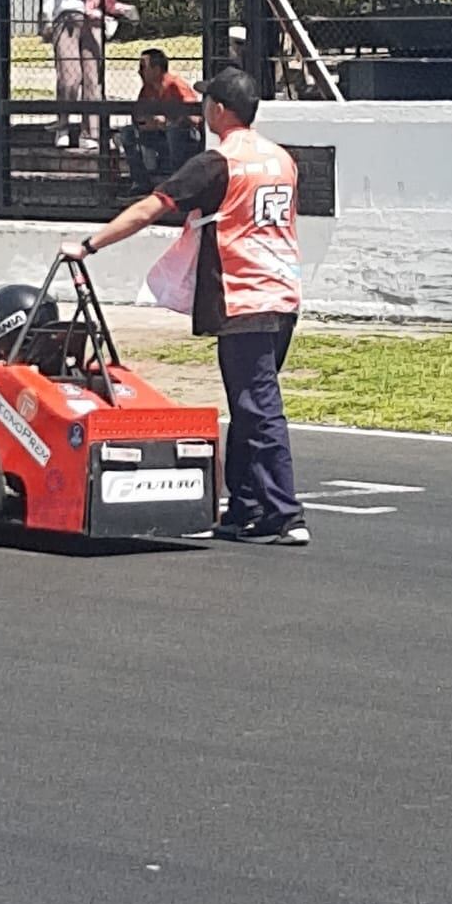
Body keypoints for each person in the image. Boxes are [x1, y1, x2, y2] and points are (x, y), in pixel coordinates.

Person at [59, 67, 308, 546]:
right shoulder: (282, 159)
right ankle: (245, 507)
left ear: (218, 110)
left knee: (260, 407)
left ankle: (285, 513)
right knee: (248, 405)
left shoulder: (217, 162)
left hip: (242, 296)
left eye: (206, 102)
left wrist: (89, 245)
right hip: (282, 294)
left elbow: (150, 208)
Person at [34, 0, 100, 150]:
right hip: (66, 17)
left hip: (91, 17)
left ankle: (90, 132)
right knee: (70, 77)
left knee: (92, 78)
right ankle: (63, 125)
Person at [117, 49, 201, 192]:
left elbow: (195, 118)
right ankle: (140, 182)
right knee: (127, 133)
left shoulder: (176, 85)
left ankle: (178, 183)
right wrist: (147, 122)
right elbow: (138, 114)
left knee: (174, 131)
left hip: (184, 137)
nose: (139, 71)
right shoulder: (147, 89)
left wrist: (168, 121)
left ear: (156, 69)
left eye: (143, 66)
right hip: (156, 135)